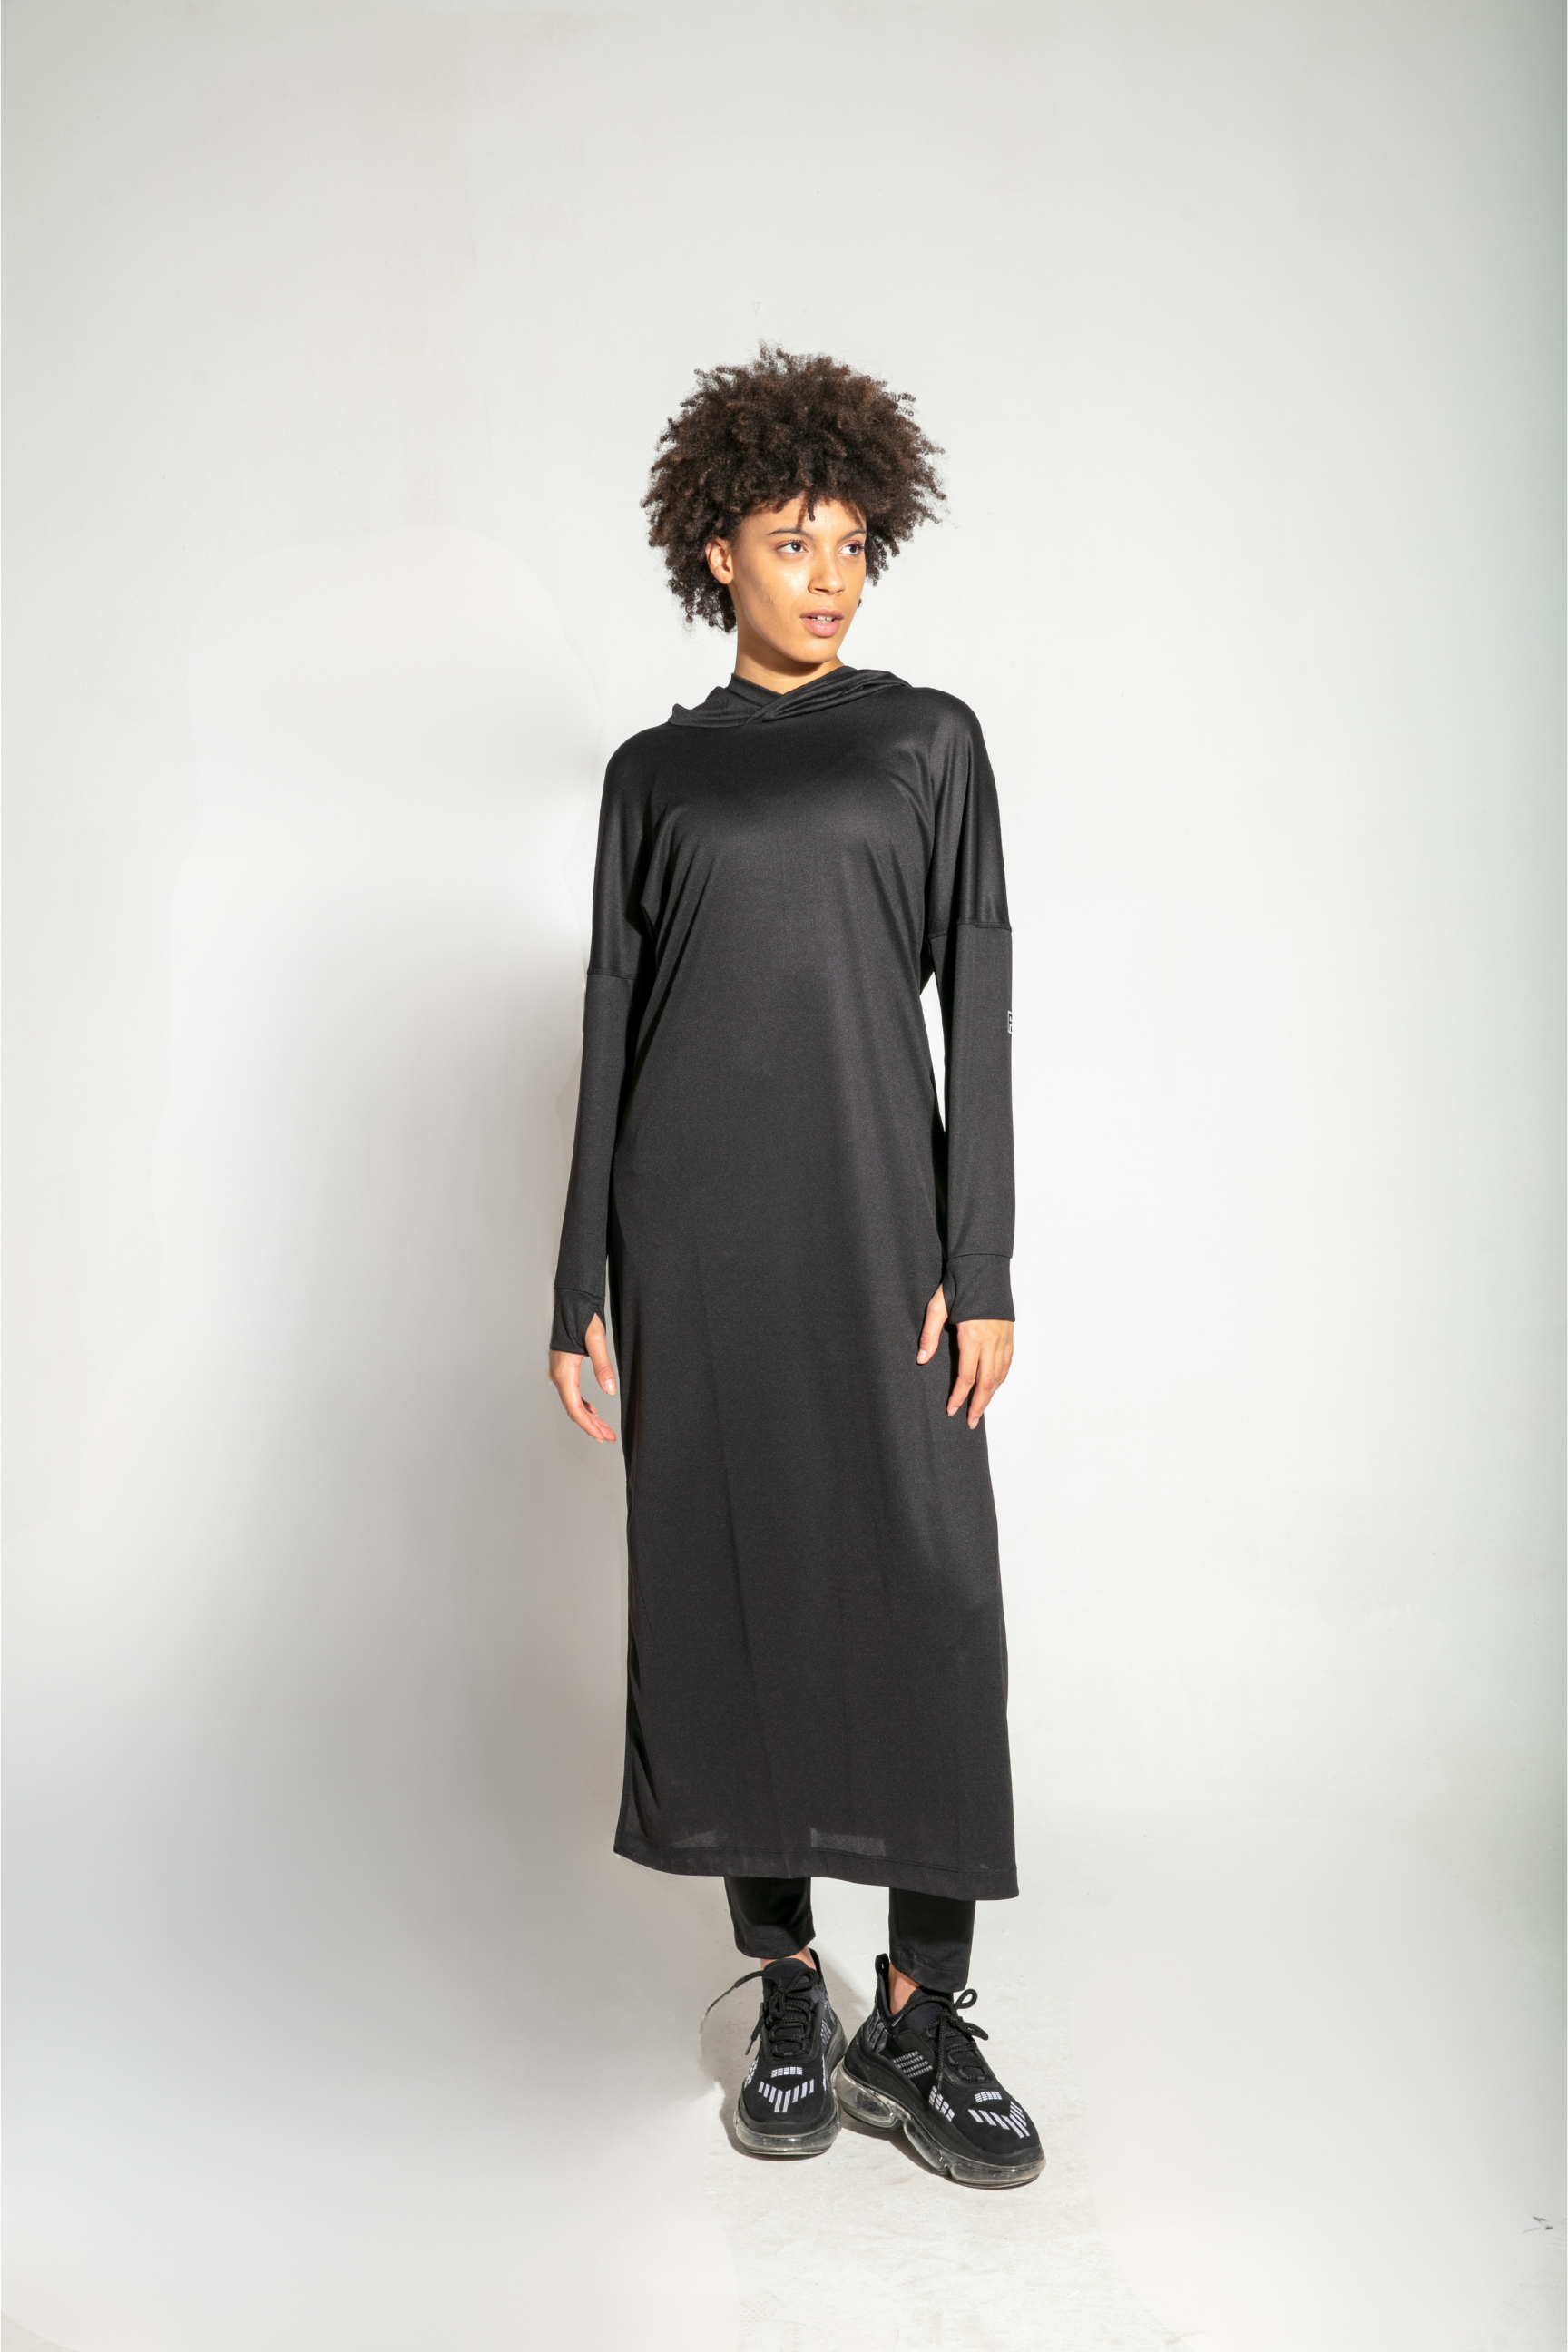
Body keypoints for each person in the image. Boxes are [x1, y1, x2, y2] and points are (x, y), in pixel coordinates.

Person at [547, 348, 1042, 2189]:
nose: (830, 577)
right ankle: (786, 1986)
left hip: (882, 1229)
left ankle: (920, 2012)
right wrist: (577, 1279)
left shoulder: (928, 743)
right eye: (791, 542)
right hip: (694, 1240)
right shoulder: (654, 774)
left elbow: (980, 997)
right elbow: (612, 1020)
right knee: (730, 1584)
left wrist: (979, 1256)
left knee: (928, 1593)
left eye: (851, 544)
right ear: (718, 551)